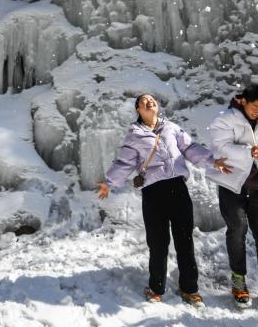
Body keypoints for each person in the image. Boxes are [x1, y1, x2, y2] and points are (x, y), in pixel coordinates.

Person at [98, 93, 233, 306]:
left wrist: (212, 161)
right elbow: (124, 163)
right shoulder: (135, 135)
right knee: (158, 242)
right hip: (153, 193)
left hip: (178, 189)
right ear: (138, 110)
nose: (149, 102)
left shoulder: (171, 128)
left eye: (151, 99)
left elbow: (189, 148)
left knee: (185, 240)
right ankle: (156, 287)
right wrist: (109, 182)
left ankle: (190, 288)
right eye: (143, 101)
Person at [207, 83, 258, 317]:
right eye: (255, 107)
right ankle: (238, 278)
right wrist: (253, 149)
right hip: (232, 185)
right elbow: (221, 149)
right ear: (243, 101)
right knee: (237, 229)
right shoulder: (225, 119)